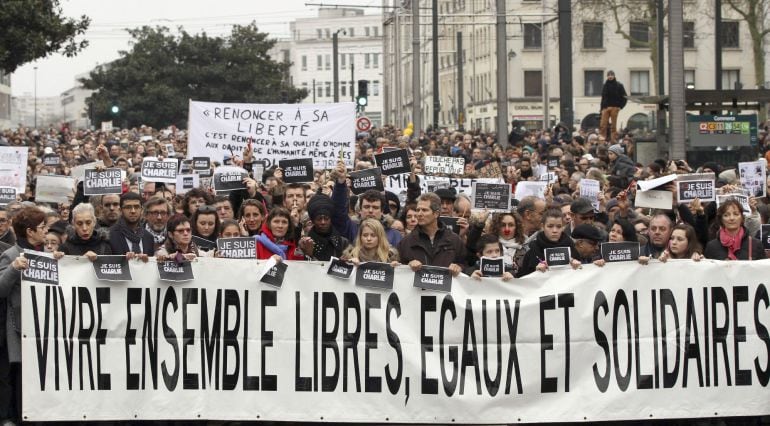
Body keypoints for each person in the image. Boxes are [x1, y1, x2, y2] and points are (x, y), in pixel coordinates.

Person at [0, 207, 64, 425]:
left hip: (43, 328)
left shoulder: (44, 255)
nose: (46, 231)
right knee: (19, 379)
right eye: (42, 227)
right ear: (30, 231)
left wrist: (60, 262)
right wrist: (13, 269)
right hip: (20, 329)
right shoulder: (10, 255)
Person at [331, 161, 402, 246]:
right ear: (360, 210)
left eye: (375, 207)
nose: (370, 211)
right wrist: (340, 183)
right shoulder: (351, 228)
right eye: (366, 207)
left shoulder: (395, 235)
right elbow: (338, 212)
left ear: (382, 211)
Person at [398, 193, 466, 276]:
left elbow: (466, 266)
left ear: (436, 214)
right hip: (417, 288)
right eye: (418, 210)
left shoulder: (454, 240)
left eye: (424, 210)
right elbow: (398, 271)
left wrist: (459, 267)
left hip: (445, 288)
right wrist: (408, 266)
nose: (419, 214)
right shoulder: (406, 242)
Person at [517, 209, 577, 277]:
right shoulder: (533, 250)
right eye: (550, 226)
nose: (555, 230)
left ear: (563, 227)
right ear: (543, 226)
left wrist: (578, 266)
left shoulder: (571, 247)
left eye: (559, 226)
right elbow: (523, 279)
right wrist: (535, 272)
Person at [299, 194, 349, 261]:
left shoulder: (343, 242)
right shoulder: (305, 243)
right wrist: (309, 254)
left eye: (326, 218)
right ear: (313, 220)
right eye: (319, 219)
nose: (323, 222)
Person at [108, 192, 155, 258]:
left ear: (141, 210)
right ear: (120, 210)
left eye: (136, 207)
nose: (133, 211)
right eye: (128, 207)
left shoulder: (148, 237)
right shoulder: (109, 235)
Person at [599, 70, 627, 142]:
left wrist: (620, 106)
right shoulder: (605, 85)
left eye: (611, 75)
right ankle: (602, 139)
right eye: (609, 75)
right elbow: (603, 98)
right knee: (603, 125)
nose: (610, 76)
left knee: (613, 126)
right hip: (606, 107)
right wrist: (601, 108)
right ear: (607, 76)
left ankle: (613, 140)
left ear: (614, 76)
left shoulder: (619, 85)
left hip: (615, 107)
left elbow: (624, 97)